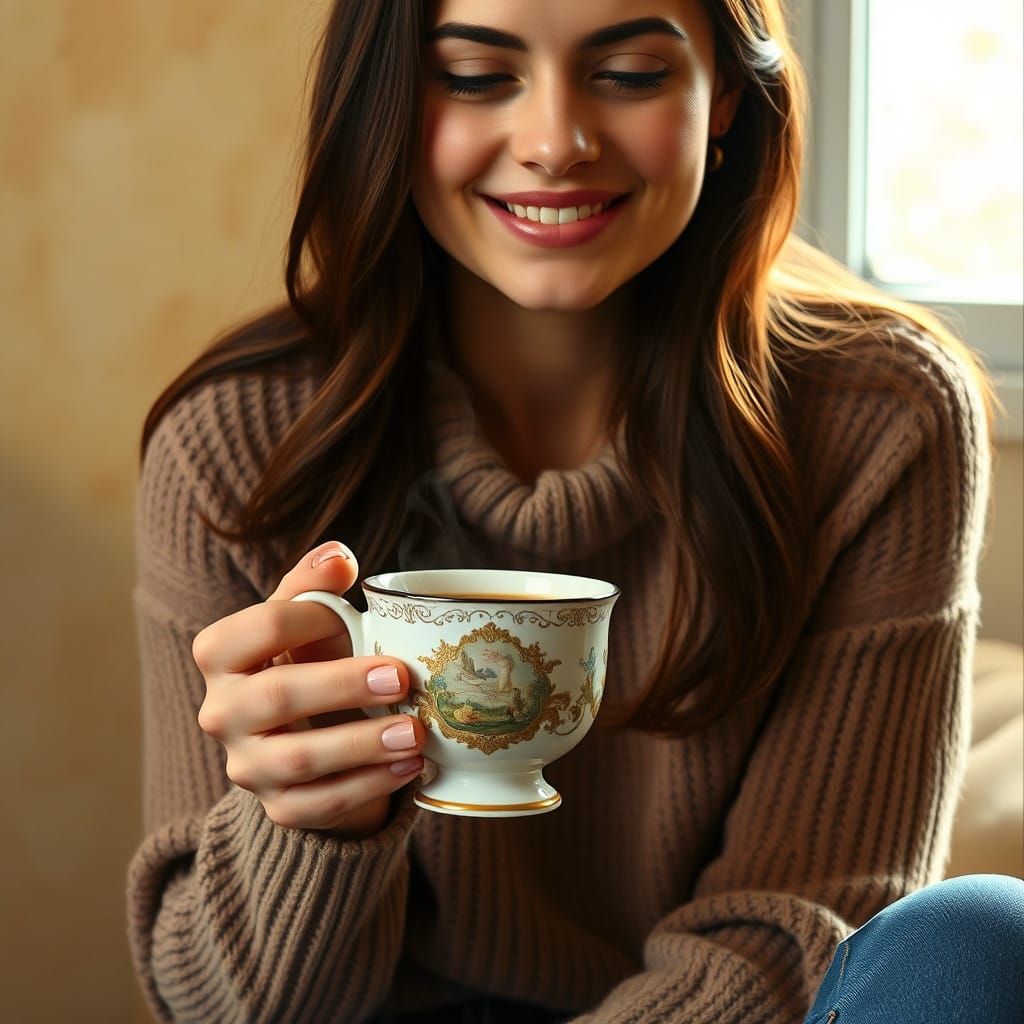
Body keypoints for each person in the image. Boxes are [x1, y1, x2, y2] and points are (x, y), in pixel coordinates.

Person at [126, 1, 1024, 1021]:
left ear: (724, 93)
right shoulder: (237, 446)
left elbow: (798, 929)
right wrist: (304, 826)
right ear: (388, 99)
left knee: (980, 941)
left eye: (632, 73)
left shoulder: (880, 420)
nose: (555, 143)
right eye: (474, 76)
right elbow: (215, 1009)